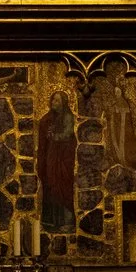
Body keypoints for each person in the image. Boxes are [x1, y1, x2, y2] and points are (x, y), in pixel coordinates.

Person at [36, 90, 77, 237]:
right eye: (53, 100)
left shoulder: (68, 117)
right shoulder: (47, 119)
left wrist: (55, 136)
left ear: (64, 102)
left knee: (64, 187)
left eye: (57, 101)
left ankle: (67, 221)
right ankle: (50, 222)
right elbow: (43, 141)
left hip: (64, 159)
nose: (54, 103)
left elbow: (68, 134)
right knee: (51, 186)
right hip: (52, 158)